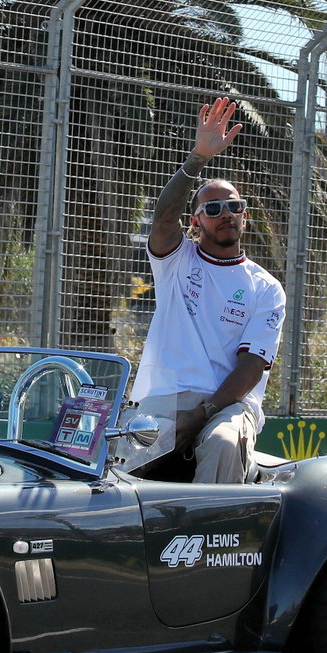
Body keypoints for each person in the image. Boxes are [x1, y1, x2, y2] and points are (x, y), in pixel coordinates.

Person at [129, 97, 285, 483]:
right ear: (195, 222)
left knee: (223, 442)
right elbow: (163, 220)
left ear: (244, 215)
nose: (225, 214)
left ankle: (211, 541)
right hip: (165, 401)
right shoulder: (176, 261)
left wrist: (202, 416)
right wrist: (197, 158)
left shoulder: (266, 288)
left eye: (233, 206)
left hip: (229, 405)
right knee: (122, 458)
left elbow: (251, 368)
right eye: (212, 210)